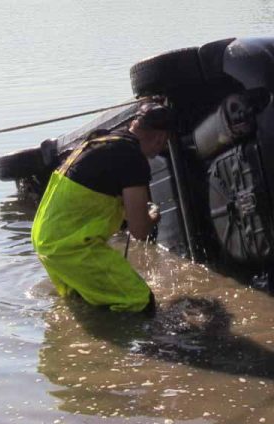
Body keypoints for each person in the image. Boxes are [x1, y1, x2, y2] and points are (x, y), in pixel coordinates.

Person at [31, 102, 174, 315]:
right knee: (139, 302)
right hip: (73, 247)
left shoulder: (107, 139)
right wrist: (152, 215)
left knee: (86, 305)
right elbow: (139, 231)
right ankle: (131, 346)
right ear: (160, 138)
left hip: (46, 240)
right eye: (164, 144)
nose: (160, 150)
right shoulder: (133, 159)